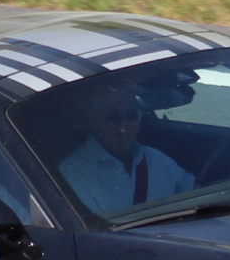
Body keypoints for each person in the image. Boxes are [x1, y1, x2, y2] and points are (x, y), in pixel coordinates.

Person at [55, 86, 195, 213]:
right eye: (112, 117)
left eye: (131, 116)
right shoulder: (73, 175)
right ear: (93, 120)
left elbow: (193, 192)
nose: (123, 127)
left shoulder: (156, 158)